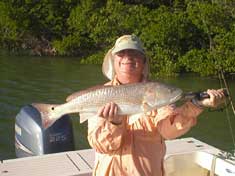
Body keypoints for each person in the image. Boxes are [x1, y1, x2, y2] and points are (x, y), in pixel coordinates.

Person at [87, 34, 226, 176]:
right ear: (113, 60)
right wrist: (114, 124)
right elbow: (101, 145)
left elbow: (168, 130)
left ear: (143, 61)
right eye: (121, 53)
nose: (127, 57)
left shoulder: (158, 93)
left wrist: (196, 105)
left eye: (134, 53)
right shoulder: (99, 95)